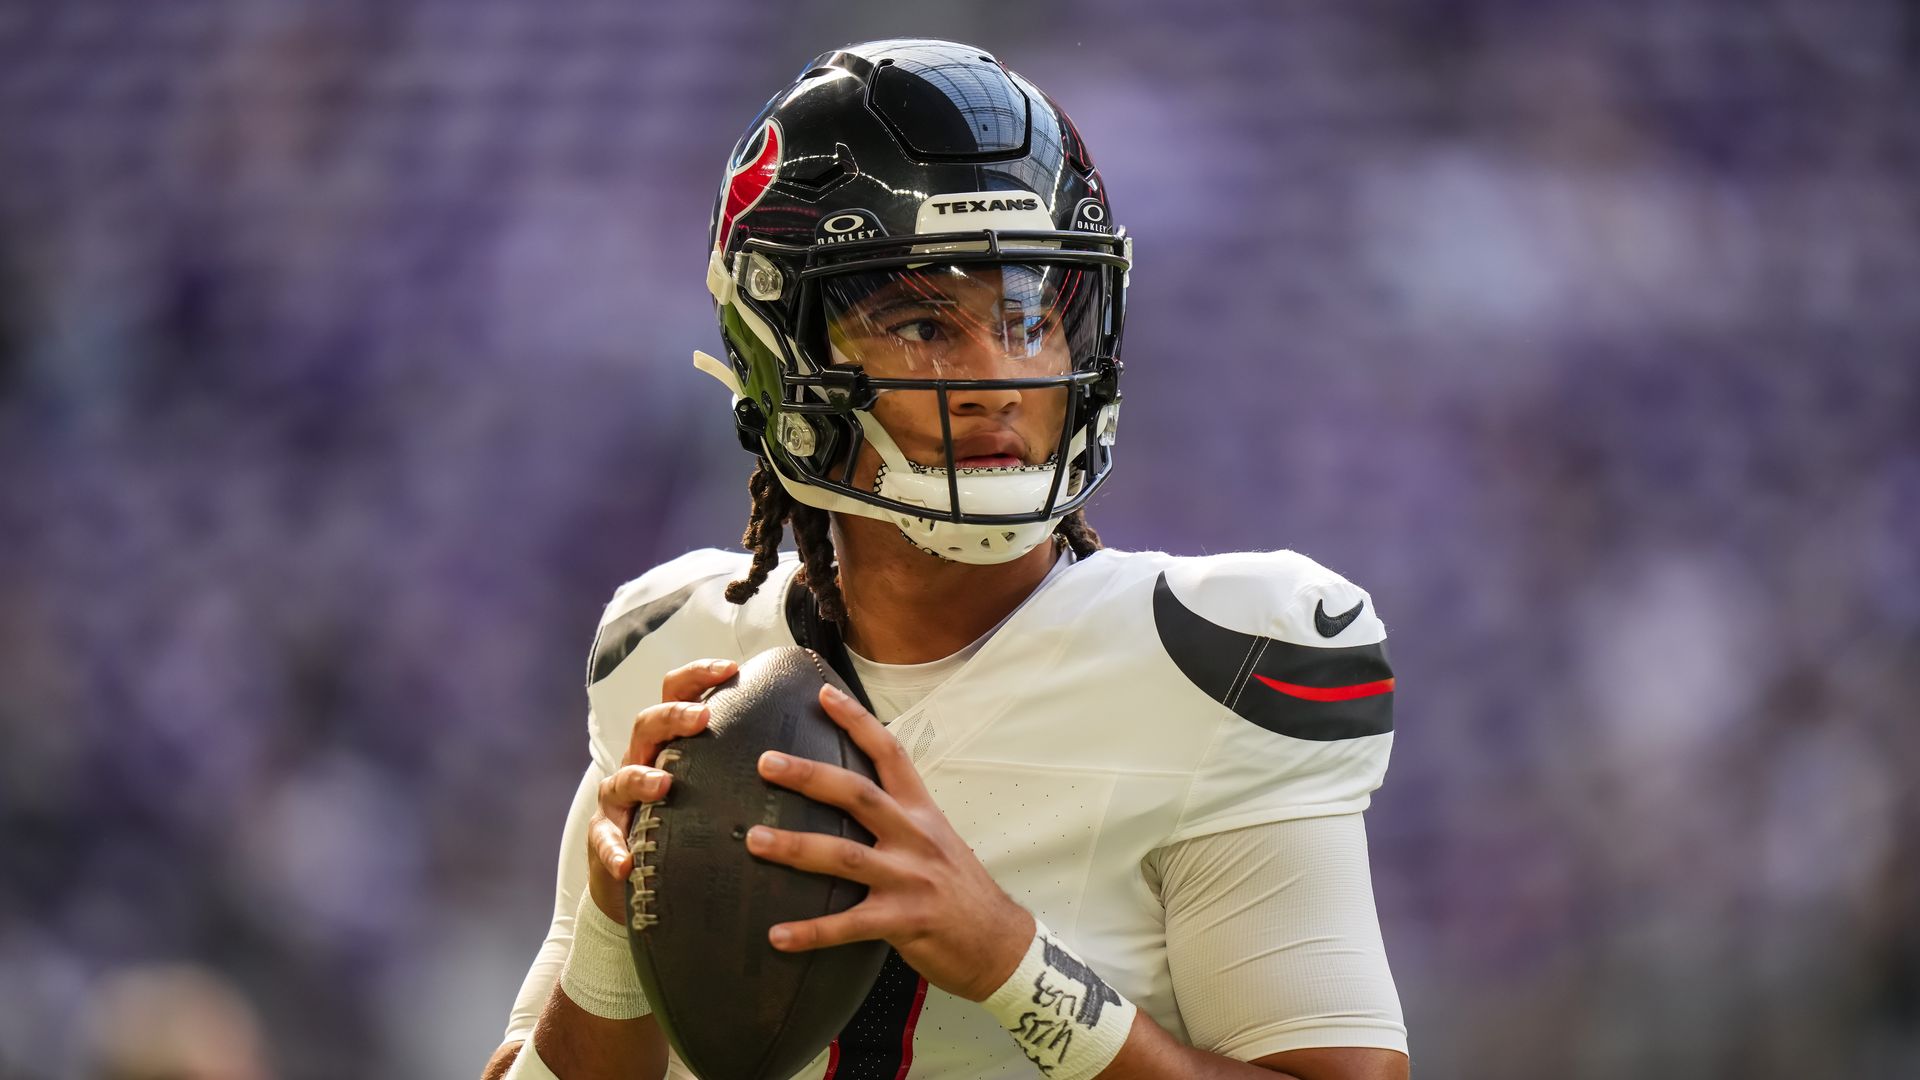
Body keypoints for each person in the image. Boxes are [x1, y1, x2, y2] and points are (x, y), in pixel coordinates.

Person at [484, 38, 1408, 1080]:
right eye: (923, 323)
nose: (994, 380)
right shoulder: (680, 650)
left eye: (1028, 318)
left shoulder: (1220, 659)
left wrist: (1014, 968)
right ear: (783, 351)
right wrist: (613, 935)